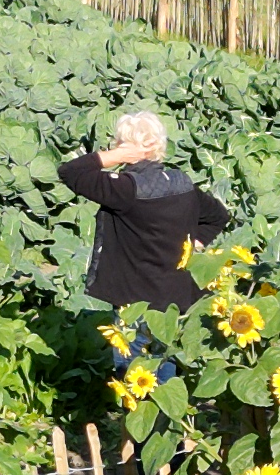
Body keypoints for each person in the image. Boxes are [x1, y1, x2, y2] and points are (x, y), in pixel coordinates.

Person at [57, 109, 230, 319]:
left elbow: (70, 172)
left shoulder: (126, 189)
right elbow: (218, 216)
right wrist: (194, 244)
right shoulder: (182, 182)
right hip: (182, 297)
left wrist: (116, 155)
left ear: (124, 146)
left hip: (138, 302)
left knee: (136, 340)